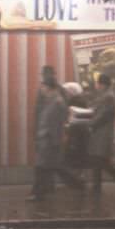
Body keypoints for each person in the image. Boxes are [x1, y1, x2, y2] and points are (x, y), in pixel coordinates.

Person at [27, 73, 84, 201]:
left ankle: (37, 194)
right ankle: (78, 184)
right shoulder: (52, 100)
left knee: (42, 167)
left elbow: (58, 123)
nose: (41, 89)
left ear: (49, 87)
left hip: (50, 141)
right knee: (53, 167)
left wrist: (55, 142)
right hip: (46, 140)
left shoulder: (58, 102)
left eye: (43, 86)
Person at [89, 72, 115, 199]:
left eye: (98, 83)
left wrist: (91, 123)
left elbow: (103, 115)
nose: (96, 85)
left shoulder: (108, 97)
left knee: (98, 160)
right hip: (101, 133)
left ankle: (98, 188)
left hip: (103, 134)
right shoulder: (106, 96)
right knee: (101, 161)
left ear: (103, 84)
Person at [62, 81, 92, 176]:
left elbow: (73, 117)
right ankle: (78, 175)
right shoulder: (82, 100)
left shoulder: (75, 102)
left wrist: (67, 124)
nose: (65, 94)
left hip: (76, 133)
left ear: (71, 92)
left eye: (67, 92)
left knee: (75, 153)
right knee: (79, 154)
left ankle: (77, 177)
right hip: (80, 132)